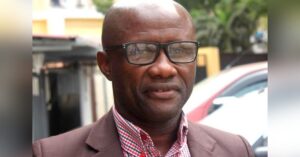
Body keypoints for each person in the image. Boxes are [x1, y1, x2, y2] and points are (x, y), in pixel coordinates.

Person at [32, 0, 254, 157]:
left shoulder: (235, 150)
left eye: (180, 50)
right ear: (106, 64)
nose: (164, 69)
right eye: (141, 51)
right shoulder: (51, 154)